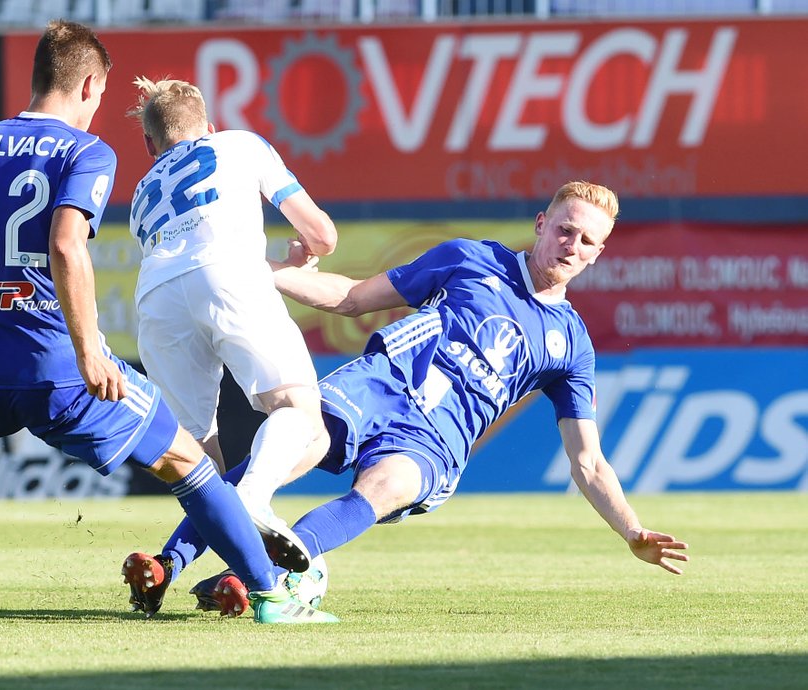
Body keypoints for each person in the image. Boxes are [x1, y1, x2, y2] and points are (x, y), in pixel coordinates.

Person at [0, 21, 337, 626]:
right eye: (98, 96)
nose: (96, 109)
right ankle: (272, 595)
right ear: (88, 83)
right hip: (52, 359)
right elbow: (68, 246)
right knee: (189, 462)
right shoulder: (85, 152)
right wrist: (91, 352)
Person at [126, 181, 689, 617]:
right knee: (281, 451)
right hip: (379, 385)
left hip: (437, 441)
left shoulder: (572, 346)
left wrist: (632, 530)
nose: (572, 245)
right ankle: (167, 563)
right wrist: (263, 270)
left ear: (598, 255)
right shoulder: (469, 258)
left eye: (587, 241)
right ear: (542, 224)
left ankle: (260, 580)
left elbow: (587, 461)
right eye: (566, 229)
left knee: (388, 487)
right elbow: (351, 298)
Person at [126, 77, 337, 571]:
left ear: (149, 144)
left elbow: (187, 257)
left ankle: (237, 575)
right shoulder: (240, 143)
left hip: (155, 298)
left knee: (197, 459)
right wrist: (304, 253)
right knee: (302, 417)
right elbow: (323, 234)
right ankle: (253, 500)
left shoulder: (141, 191)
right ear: (210, 124)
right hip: (228, 276)